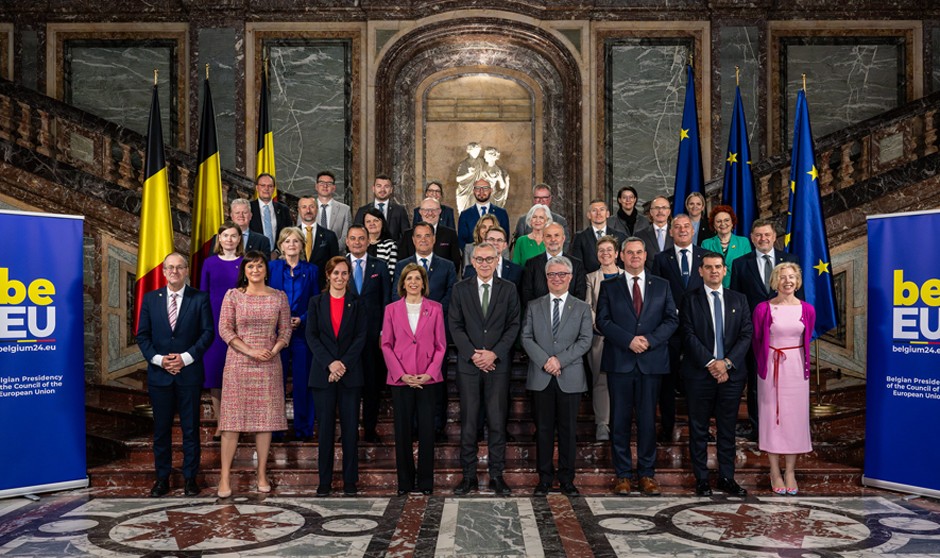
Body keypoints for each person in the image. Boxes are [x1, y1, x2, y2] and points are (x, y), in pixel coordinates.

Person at [597, 237, 678, 496]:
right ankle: (622, 475)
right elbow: (603, 321)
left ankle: (646, 474)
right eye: (629, 252)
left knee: (646, 421)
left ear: (646, 255)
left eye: (639, 252)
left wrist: (649, 341)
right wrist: (628, 341)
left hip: (651, 363)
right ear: (621, 256)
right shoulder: (609, 286)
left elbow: (671, 320)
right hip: (620, 361)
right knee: (619, 421)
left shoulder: (662, 285)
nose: (634, 256)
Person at [136, 253, 214, 497]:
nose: (175, 271)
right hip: (160, 375)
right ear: (163, 271)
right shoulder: (150, 299)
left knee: (191, 429)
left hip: (188, 373)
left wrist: (185, 358)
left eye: (179, 267)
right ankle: (162, 479)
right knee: (161, 430)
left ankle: (190, 478)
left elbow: (207, 333)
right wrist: (160, 360)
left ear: (187, 270)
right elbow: (142, 335)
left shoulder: (199, 298)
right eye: (170, 267)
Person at [216, 251, 292, 498]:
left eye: (259, 266)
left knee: (265, 422)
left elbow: (285, 331)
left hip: (269, 363)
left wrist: (273, 350)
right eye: (251, 266)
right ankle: (225, 477)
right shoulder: (233, 296)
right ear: (244, 270)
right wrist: (250, 350)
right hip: (239, 363)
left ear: (265, 270)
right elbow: (225, 329)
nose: (255, 270)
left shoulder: (279, 297)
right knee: (231, 422)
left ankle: (261, 473)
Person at [449, 242, 521, 496]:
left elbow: (514, 325)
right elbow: (455, 326)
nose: (484, 263)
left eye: (489, 259)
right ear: (472, 261)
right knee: (469, 423)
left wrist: (494, 354)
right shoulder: (460, 289)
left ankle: (497, 476)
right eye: (479, 259)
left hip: (497, 366)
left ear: (497, 259)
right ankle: (468, 477)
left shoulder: (509, 289)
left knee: (497, 422)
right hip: (469, 367)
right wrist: (472, 354)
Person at [679, 252, 753, 496]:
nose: (713, 271)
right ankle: (701, 479)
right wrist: (712, 363)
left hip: (731, 376)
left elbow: (746, 335)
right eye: (708, 267)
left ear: (725, 271)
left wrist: (727, 363)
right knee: (698, 428)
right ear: (700, 271)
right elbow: (687, 334)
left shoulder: (739, 299)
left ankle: (726, 477)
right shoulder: (689, 299)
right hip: (699, 374)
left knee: (727, 428)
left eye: (718, 267)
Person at [521, 256, 593, 496]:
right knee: (542, 430)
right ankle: (544, 479)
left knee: (568, 431)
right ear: (546, 277)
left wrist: (559, 360)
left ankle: (566, 479)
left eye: (562, 274)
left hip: (569, 377)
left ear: (571, 278)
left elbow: (585, 340)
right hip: (541, 378)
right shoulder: (534, 305)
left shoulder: (581, 307)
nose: (557, 279)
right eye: (552, 274)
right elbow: (526, 337)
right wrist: (545, 361)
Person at [730, 219, 802, 442]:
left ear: (774, 236)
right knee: (756, 381)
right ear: (752, 238)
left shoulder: (790, 260)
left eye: (767, 235)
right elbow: (736, 300)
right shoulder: (741, 263)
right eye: (758, 235)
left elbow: (801, 295)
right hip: (754, 333)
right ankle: (758, 428)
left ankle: (786, 425)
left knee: (786, 382)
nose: (763, 239)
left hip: (786, 335)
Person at [381, 263, 447, 495]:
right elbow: (386, 344)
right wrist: (401, 374)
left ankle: (426, 483)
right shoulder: (391, 309)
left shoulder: (435, 308)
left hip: (427, 378)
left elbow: (441, 345)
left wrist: (430, 372)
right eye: (409, 278)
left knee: (427, 431)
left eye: (417, 278)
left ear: (423, 283)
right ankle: (405, 483)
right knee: (403, 432)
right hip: (401, 379)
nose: (413, 282)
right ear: (403, 283)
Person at [306, 256, 369, 496]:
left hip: (350, 375)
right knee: (325, 432)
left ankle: (350, 481)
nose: (340, 278)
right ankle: (325, 482)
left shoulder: (357, 303)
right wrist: (330, 364)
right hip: (323, 375)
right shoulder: (316, 302)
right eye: (336, 273)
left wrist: (342, 364)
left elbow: (361, 337)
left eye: (344, 274)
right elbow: (312, 336)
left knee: (351, 430)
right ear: (328, 275)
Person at [752, 262, 815, 495]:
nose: (787, 281)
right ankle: (774, 471)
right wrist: (762, 368)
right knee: (772, 419)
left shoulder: (807, 309)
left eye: (792, 277)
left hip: (797, 370)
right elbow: (757, 340)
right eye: (782, 277)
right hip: (771, 369)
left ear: (798, 281)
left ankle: (790, 471)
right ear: (774, 281)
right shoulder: (763, 309)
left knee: (794, 420)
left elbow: (806, 340)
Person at [392, 223, 458, 442]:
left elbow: (450, 295)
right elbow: (396, 296)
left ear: (434, 239)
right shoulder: (402, 265)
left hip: (436, 332)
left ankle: (436, 427)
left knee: (436, 381)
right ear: (413, 240)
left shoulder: (447, 265)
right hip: (406, 336)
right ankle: (410, 427)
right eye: (418, 236)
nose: (422, 240)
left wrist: (431, 316)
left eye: (427, 236)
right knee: (409, 380)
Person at [651, 214, 706, 443]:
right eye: (677, 227)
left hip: (699, 329)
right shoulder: (661, 259)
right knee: (667, 381)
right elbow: (656, 293)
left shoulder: (706, 256)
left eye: (687, 226)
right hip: (670, 331)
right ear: (670, 232)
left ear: (693, 231)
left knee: (700, 381)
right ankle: (667, 426)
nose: (682, 230)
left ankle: (702, 428)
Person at [269, 227, 320, 442]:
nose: (291, 245)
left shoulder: (312, 270)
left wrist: (303, 318)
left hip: (301, 334)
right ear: (281, 245)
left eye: (296, 241)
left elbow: (316, 301)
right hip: (276, 333)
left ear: (302, 245)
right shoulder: (271, 268)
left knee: (302, 382)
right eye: (287, 241)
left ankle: (304, 429)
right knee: (275, 381)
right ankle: (277, 429)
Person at [200, 221, 244, 440]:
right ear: (219, 239)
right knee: (215, 374)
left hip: (240, 322)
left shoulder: (246, 262)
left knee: (238, 374)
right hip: (215, 323)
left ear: (239, 239)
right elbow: (202, 295)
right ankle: (221, 423)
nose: (229, 239)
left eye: (233, 236)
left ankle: (238, 421)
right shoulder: (209, 263)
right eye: (225, 235)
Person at [346, 225, 390, 443]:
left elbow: (386, 302)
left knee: (372, 386)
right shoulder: (338, 266)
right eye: (353, 238)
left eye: (361, 238)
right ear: (347, 241)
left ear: (368, 241)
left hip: (373, 338)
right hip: (346, 339)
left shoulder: (379, 266)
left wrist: (384, 332)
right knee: (348, 386)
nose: (357, 242)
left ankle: (370, 430)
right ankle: (349, 430)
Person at [584, 235, 623, 442]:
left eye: (609, 250)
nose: (605, 254)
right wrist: (605, 329)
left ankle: (620, 422)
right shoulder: (590, 278)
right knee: (601, 381)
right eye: (601, 251)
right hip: (600, 338)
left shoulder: (627, 276)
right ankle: (602, 424)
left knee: (624, 381)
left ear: (617, 254)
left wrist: (623, 333)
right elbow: (587, 307)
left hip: (625, 340)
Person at [521, 222, 587, 308]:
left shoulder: (577, 265)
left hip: (569, 316)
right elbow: (526, 295)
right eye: (548, 236)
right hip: (540, 316)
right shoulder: (531, 264)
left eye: (556, 235)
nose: (553, 239)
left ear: (563, 238)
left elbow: (580, 295)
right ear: (543, 239)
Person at [399, 197, 461, 272]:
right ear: (420, 212)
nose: (430, 213)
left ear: (440, 211)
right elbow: (402, 263)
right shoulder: (408, 235)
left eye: (434, 210)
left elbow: (456, 264)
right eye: (426, 210)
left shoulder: (450, 234)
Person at [701, 205, 752, 288]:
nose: (723, 224)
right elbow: (704, 269)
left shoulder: (743, 242)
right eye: (718, 221)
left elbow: (748, 269)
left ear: (732, 223)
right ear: (714, 225)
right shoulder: (706, 244)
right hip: (714, 288)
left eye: (726, 220)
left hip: (740, 289)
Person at [571, 199, 626, 274]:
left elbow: (623, 262)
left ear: (608, 214)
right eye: (594, 210)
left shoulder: (620, 236)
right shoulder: (580, 237)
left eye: (602, 210)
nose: (598, 213)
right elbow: (577, 264)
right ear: (589, 215)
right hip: (589, 281)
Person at [463, 225, 524, 292]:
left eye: (499, 240)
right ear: (484, 242)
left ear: (505, 245)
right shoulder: (470, 270)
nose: (495, 243)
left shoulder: (516, 270)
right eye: (491, 239)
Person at [297, 195, 339, 288]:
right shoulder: (291, 236)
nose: (308, 210)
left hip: (321, 288)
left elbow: (334, 264)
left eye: (312, 207)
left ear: (317, 209)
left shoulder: (329, 236)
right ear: (299, 210)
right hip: (296, 287)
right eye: (304, 207)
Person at [457, 178, 510, 251]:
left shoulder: (501, 213)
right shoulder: (465, 215)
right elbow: (462, 241)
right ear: (473, 191)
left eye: (485, 188)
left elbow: (505, 238)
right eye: (477, 188)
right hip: (473, 258)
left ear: (491, 190)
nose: (481, 191)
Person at [354, 174, 411, 242]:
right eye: (379, 186)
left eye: (386, 186)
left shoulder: (400, 210)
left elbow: (406, 236)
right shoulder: (362, 210)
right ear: (373, 188)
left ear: (391, 190)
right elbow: (356, 233)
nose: (382, 189)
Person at [249, 173, 293, 255]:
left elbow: (288, 234)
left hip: (278, 259)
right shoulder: (248, 208)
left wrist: (277, 252)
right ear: (257, 188)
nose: (266, 188)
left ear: (273, 189)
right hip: (254, 257)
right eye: (263, 185)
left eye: (270, 186)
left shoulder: (283, 209)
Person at [314, 170, 352, 252]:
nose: (325, 186)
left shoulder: (345, 209)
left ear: (334, 188)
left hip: (337, 257)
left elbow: (346, 236)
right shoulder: (307, 208)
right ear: (316, 186)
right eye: (322, 183)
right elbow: (300, 233)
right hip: (311, 257)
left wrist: (332, 250)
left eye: (329, 183)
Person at [362, 206, 398, 280]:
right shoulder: (360, 244)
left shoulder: (390, 245)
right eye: (368, 221)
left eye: (376, 220)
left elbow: (391, 274)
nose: (372, 224)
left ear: (382, 223)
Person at [635, 196, 673, 265]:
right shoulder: (640, 236)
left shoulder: (677, 234)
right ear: (651, 212)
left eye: (664, 208)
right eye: (657, 208)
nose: (660, 211)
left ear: (669, 212)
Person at [455, 142, 484, 213]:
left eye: (478, 151)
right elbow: (458, 179)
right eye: (474, 151)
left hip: (476, 191)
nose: (476, 153)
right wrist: (468, 174)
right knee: (464, 212)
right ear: (469, 151)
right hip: (465, 191)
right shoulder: (464, 164)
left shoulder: (480, 162)